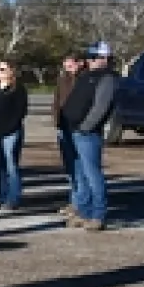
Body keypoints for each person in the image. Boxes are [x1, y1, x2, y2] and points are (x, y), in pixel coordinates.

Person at [62, 42, 119, 232]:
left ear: (105, 59)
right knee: (80, 174)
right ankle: (84, 211)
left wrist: (86, 127)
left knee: (92, 174)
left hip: (88, 133)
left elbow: (100, 107)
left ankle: (98, 214)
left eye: (94, 57)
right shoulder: (87, 76)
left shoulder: (107, 79)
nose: (90, 61)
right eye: (89, 57)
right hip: (74, 130)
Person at [0, 59, 30, 212]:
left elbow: (20, 112)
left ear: (11, 71)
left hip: (10, 132)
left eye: (3, 69)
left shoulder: (18, 89)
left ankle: (13, 198)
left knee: (11, 165)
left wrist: (9, 128)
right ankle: (0, 196)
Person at [53, 52, 84, 218]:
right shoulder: (62, 80)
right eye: (65, 64)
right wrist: (56, 119)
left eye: (71, 64)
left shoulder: (84, 79)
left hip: (78, 128)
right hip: (63, 127)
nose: (67, 67)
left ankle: (81, 203)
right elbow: (56, 100)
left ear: (79, 63)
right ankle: (74, 201)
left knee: (80, 168)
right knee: (70, 168)